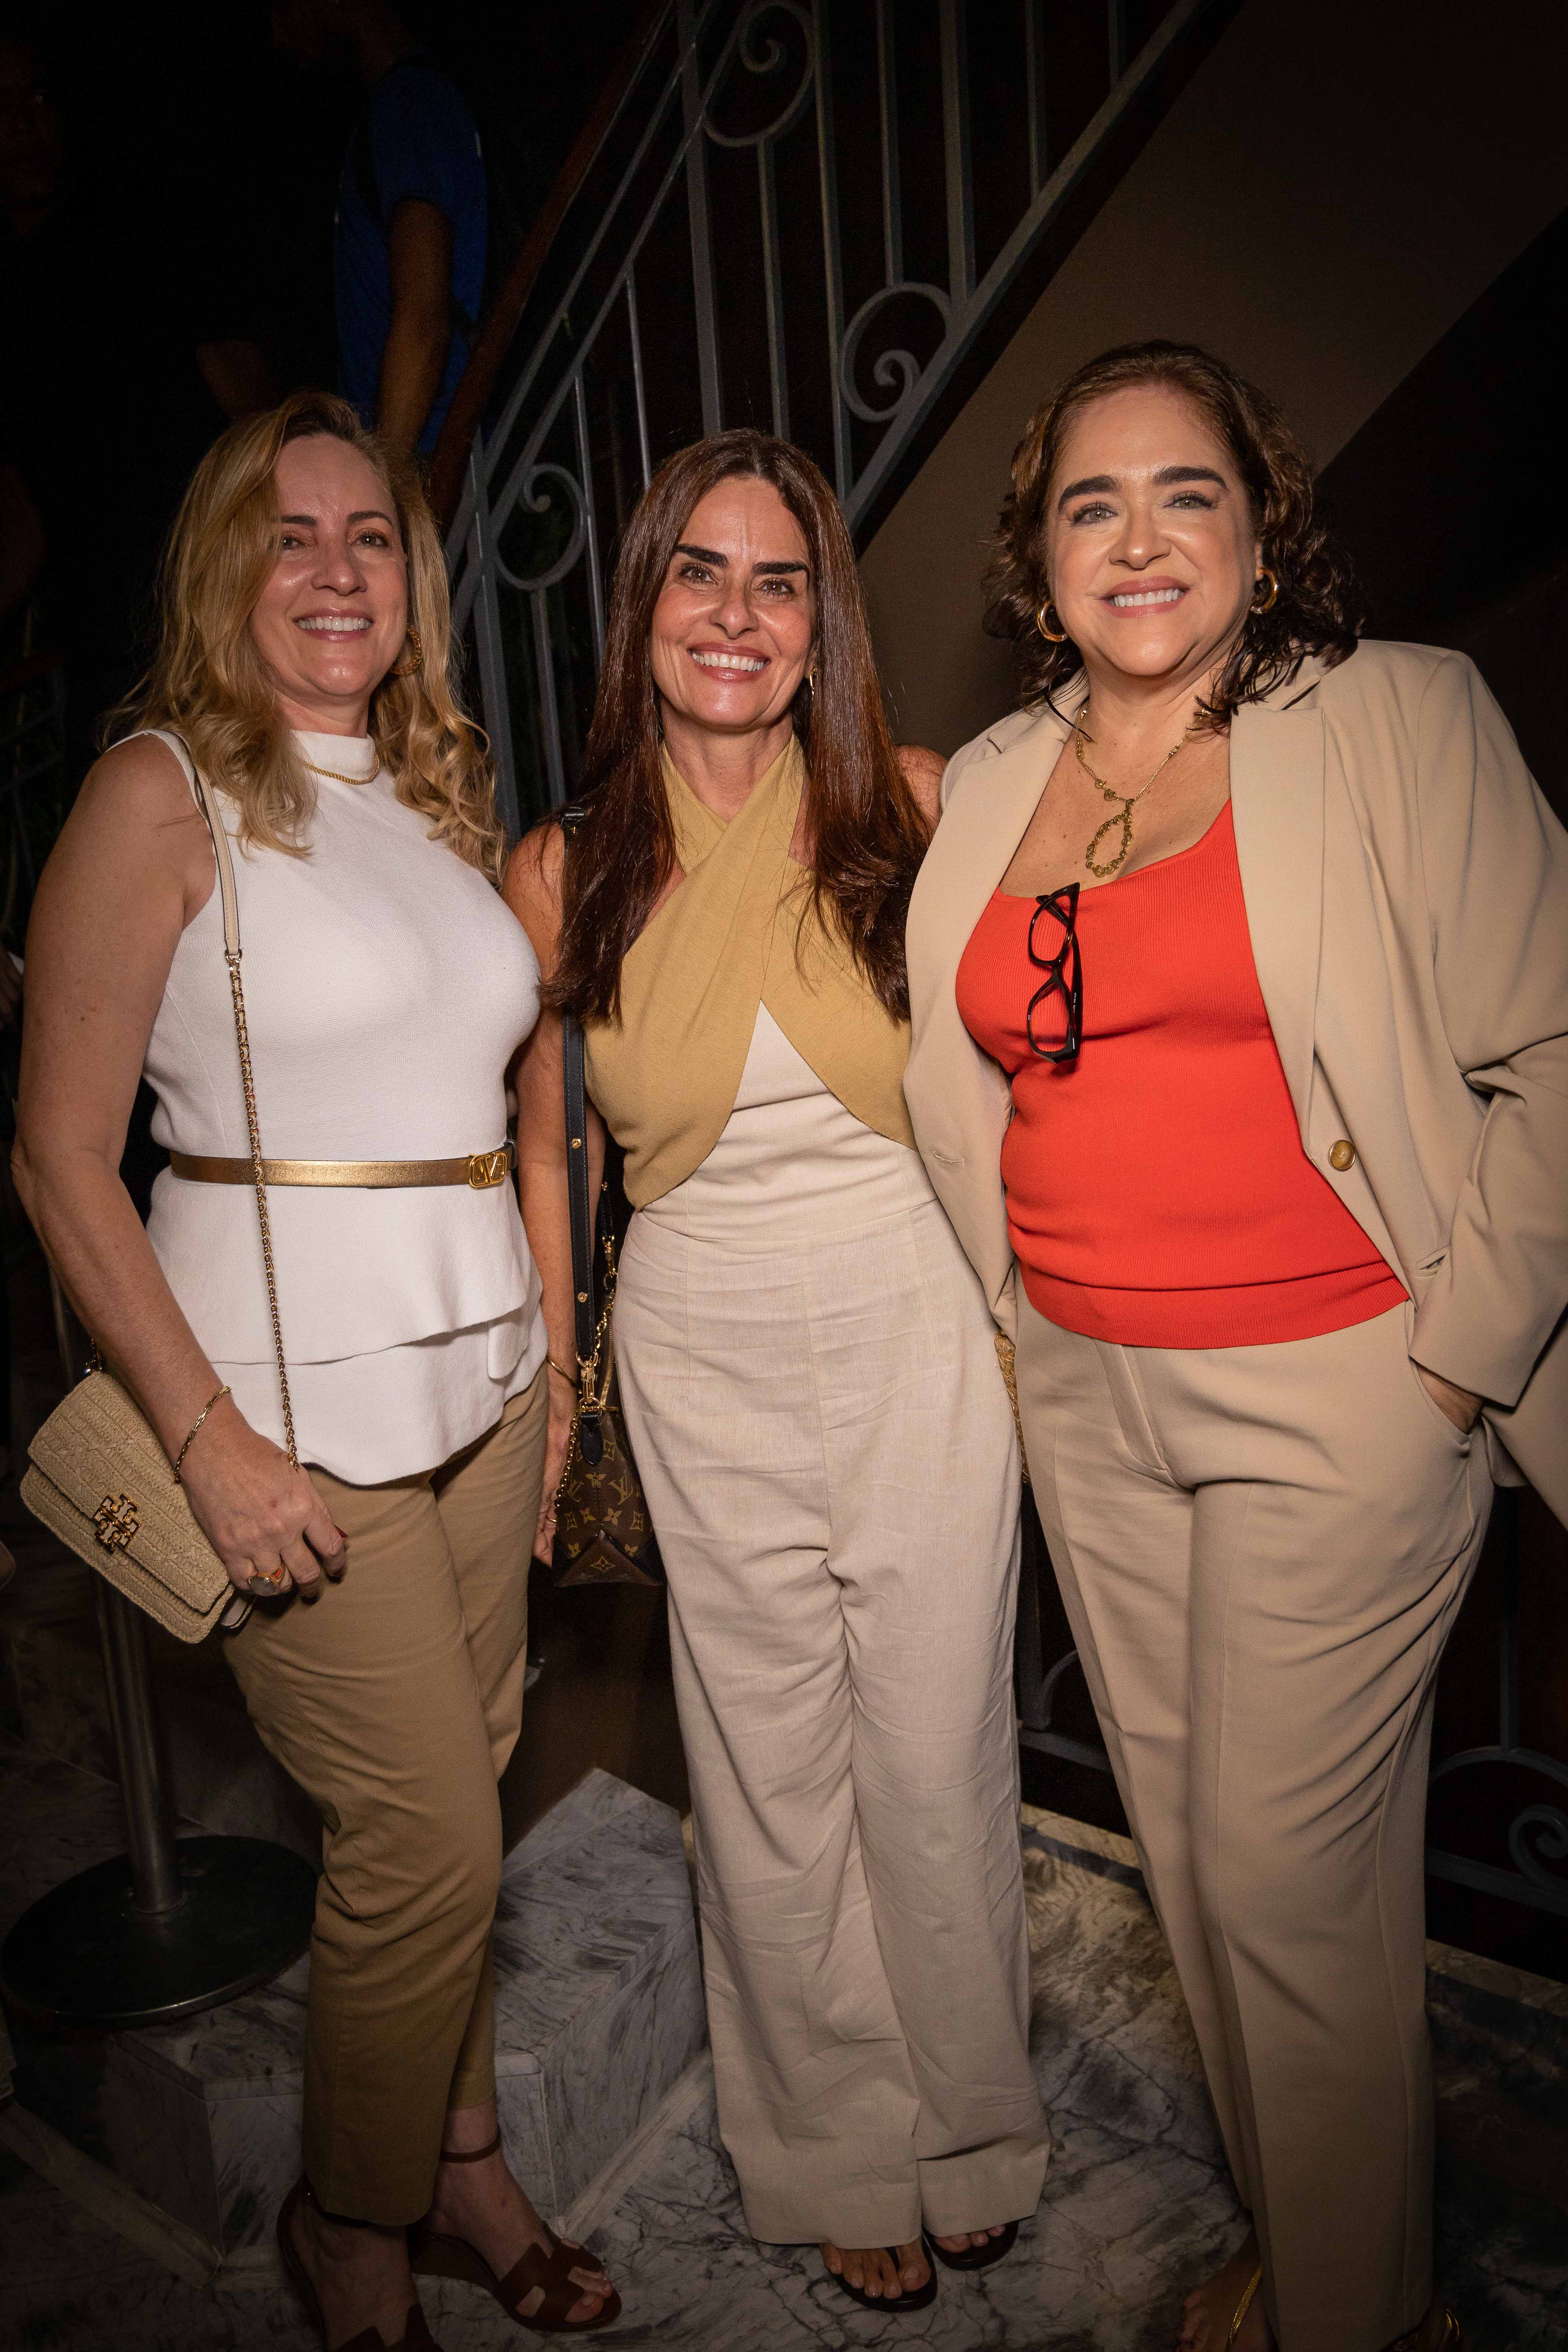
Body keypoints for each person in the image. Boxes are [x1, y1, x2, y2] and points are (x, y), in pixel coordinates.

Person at [903, 338, 1568, 2352]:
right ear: (1037, 558)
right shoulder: (1001, 781)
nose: (1139, 535)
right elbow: (964, 1076)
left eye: (1186, 490)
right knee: (1207, 1885)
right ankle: (1326, 2260)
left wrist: (1456, 1361)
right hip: (1088, 1396)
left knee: (1284, 1886)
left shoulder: (1397, 720)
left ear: (1261, 529)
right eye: (1090, 502)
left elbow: (1557, 1049)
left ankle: (1354, 2319)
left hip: (1344, 1385)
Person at [13, 389, 619, 2349]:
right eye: (292, 534)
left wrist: (553, 1385)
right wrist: (206, 1446)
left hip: (486, 1390)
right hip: (291, 1419)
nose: (338, 567)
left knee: (465, 1812)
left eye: (372, 536)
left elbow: (512, 1111)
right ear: (223, 568)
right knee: (423, 1837)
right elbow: (54, 1157)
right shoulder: (158, 793)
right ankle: (350, 2230)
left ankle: (459, 2165)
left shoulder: (436, 796)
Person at [507, 428, 1048, 2314]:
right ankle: (826, 2143)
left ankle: (972, 2118)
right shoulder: (564, 863)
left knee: (929, 1739)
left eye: (777, 579)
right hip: (698, 1336)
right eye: (697, 573)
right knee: (763, 1766)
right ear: (642, 603)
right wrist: (561, 1382)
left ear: (824, 618)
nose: (734, 615)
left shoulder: (913, 803)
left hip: (910, 1315)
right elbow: (541, 1146)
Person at [0, 23, 274, 778]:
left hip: (207, 625)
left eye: (40, 97)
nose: (27, 123)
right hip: (101, 656)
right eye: (5, 106)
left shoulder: (143, 232)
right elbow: (24, 509)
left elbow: (256, 418)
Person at [272, 0, 486, 461]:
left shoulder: (409, 104)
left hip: (420, 455)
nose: (280, 37)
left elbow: (423, 320)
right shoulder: (396, 106)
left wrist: (382, 487)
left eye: (282, 10)